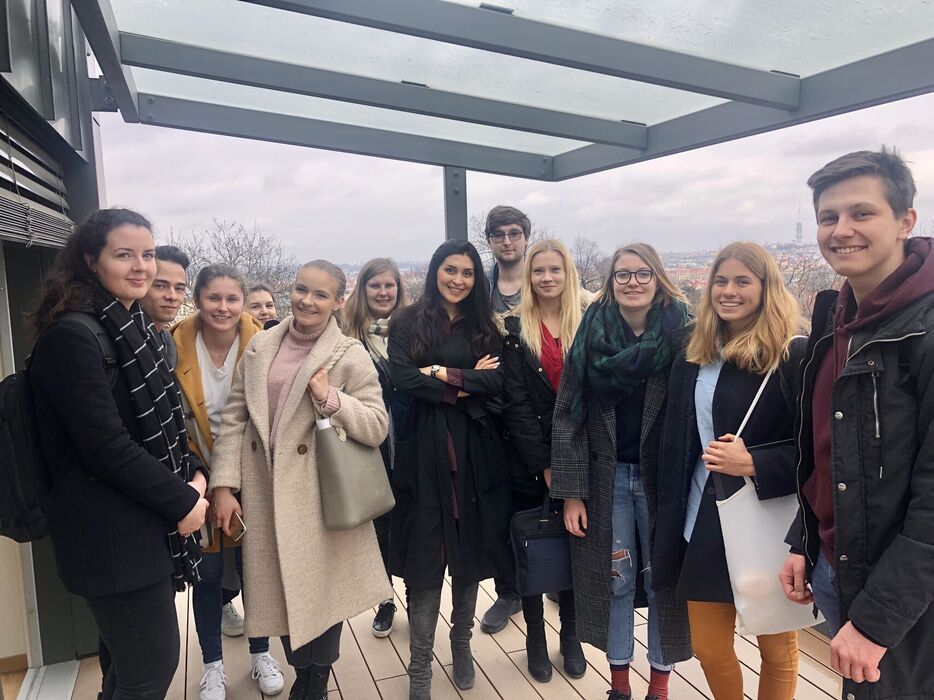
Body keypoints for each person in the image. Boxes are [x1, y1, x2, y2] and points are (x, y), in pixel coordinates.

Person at [28, 208, 209, 699]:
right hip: (109, 537)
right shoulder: (73, 336)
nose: (140, 266)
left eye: (147, 254)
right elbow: (104, 446)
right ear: (91, 260)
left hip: (143, 524)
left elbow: (168, 422)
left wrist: (194, 473)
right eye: (124, 255)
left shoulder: (137, 329)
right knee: (150, 669)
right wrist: (183, 501)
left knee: (126, 666)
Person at [779, 148, 934, 699]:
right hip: (838, 566)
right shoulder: (837, 319)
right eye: (829, 216)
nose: (841, 230)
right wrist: (803, 541)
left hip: (906, 600)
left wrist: (876, 623)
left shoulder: (923, 329)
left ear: (906, 221)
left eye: (861, 213)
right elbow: (829, 452)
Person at [211, 260, 391, 700]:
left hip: (319, 498)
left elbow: (376, 425)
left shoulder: (348, 353)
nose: (307, 301)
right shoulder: (261, 345)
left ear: (338, 301)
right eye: (300, 289)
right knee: (279, 596)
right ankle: (304, 676)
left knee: (321, 596)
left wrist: (330, 397)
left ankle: (315, 684)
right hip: (265, 494)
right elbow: (235, 418)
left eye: (321, 294)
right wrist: (224, 486)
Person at [654, 242, 805, 700]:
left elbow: (821, 447)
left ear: (766, 287)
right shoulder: (695, 350)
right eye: (720, 281)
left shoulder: (791, 354)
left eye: (742, 281)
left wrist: (756, 462)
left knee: (776, 644)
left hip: (764, 517)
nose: (728, 291)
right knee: (708, 646)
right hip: (700, 517)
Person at [551, 243, 693, 700]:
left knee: (662, 582)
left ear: (658, 278)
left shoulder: (684, 334)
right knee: (616, 581)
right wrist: (572, 493)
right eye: (623, 274)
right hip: (606, 480)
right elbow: (567, 414)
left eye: (642, 273)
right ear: (610, 282)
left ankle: (660, 686)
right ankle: (619, 685)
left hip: (664, 482)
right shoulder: (591, 331)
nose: (633, 282)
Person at [388, 240, 511, 699]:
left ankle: (461, 644)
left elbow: (496, 380)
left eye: (467, 272)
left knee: (468, 555)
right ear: (435, 270)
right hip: (424, 454)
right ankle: (419, 664)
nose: (458, 279)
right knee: (425, 561)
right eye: (450, 269)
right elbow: (401, 378)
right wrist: (462, 385)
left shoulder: (484, 326)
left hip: (474, 454)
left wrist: (438, 371)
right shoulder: (407, 321)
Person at [171, 264, 283, 700]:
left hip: (254, 473)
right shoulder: (174, 344)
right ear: (198, 299)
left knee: (256, 567)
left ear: (242, 301)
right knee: (208, 574)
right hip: (198, 471)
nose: (223, 307)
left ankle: (261, 653)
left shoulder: (265, 344)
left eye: (232, 298)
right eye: (213, 298)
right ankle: (212, 665)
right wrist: (206, 481)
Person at [497, 239, 589, 682]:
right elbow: (515, 404)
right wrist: (546, 466)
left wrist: (570, 468)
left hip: (582, 456)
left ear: (567, 273)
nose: (547, 278)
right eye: (539, 271)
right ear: (528, 278)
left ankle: (570, 635)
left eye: (555, 269)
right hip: (529, 460)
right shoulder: (514, 329)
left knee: (576, 545)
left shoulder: (588, 322)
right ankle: (535, 635)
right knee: (532, 545)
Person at [343, 257, 409, 639]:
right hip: (370, 441)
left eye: (389, 285)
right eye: (375, 285)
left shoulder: (413, 329)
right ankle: (385, 598)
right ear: (363, 290)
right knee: (379, 525)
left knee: (412, 519)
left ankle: (416, 592)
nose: (383, 292)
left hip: (412, 438)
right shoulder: (347, 336)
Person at [481, 204, 531, 634]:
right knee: (499, 508)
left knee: (543, 501)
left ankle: (551, 579)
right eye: (499, 234)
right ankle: (509, 590)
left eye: (514, 233)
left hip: (536, 406)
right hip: (493, 411)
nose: (507, 240)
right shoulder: (481, 287)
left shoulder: (543, 278)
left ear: (526, 237)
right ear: (490, 241)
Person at [139, 244, 189, 369]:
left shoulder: (169, 345)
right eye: (160, 286)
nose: (172, 296)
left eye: (179, 288)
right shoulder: (118, 339)